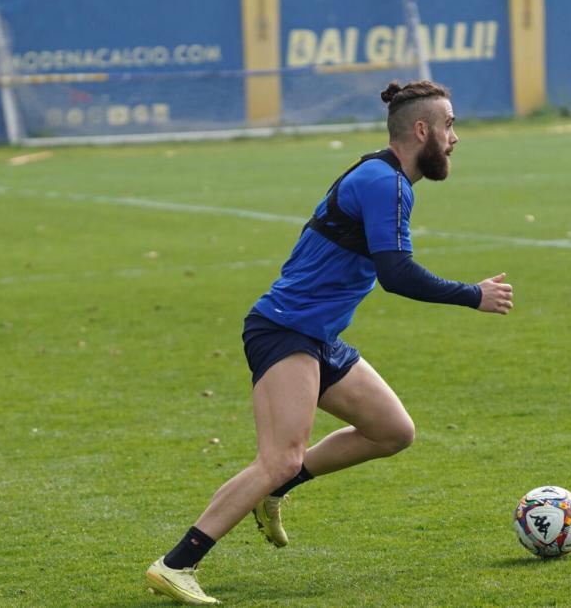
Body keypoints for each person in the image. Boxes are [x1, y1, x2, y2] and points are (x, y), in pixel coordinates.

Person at [145, 80, 514, 605]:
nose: (456, 137)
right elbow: (396, 274)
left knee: (392, 431)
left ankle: (277, 491)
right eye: (450, 125)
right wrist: (471, 295)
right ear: (421, 130)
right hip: (285, 329)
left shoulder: (389, 180)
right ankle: (177, 564)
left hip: (317, 335)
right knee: (280, 456)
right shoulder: (383, 182)